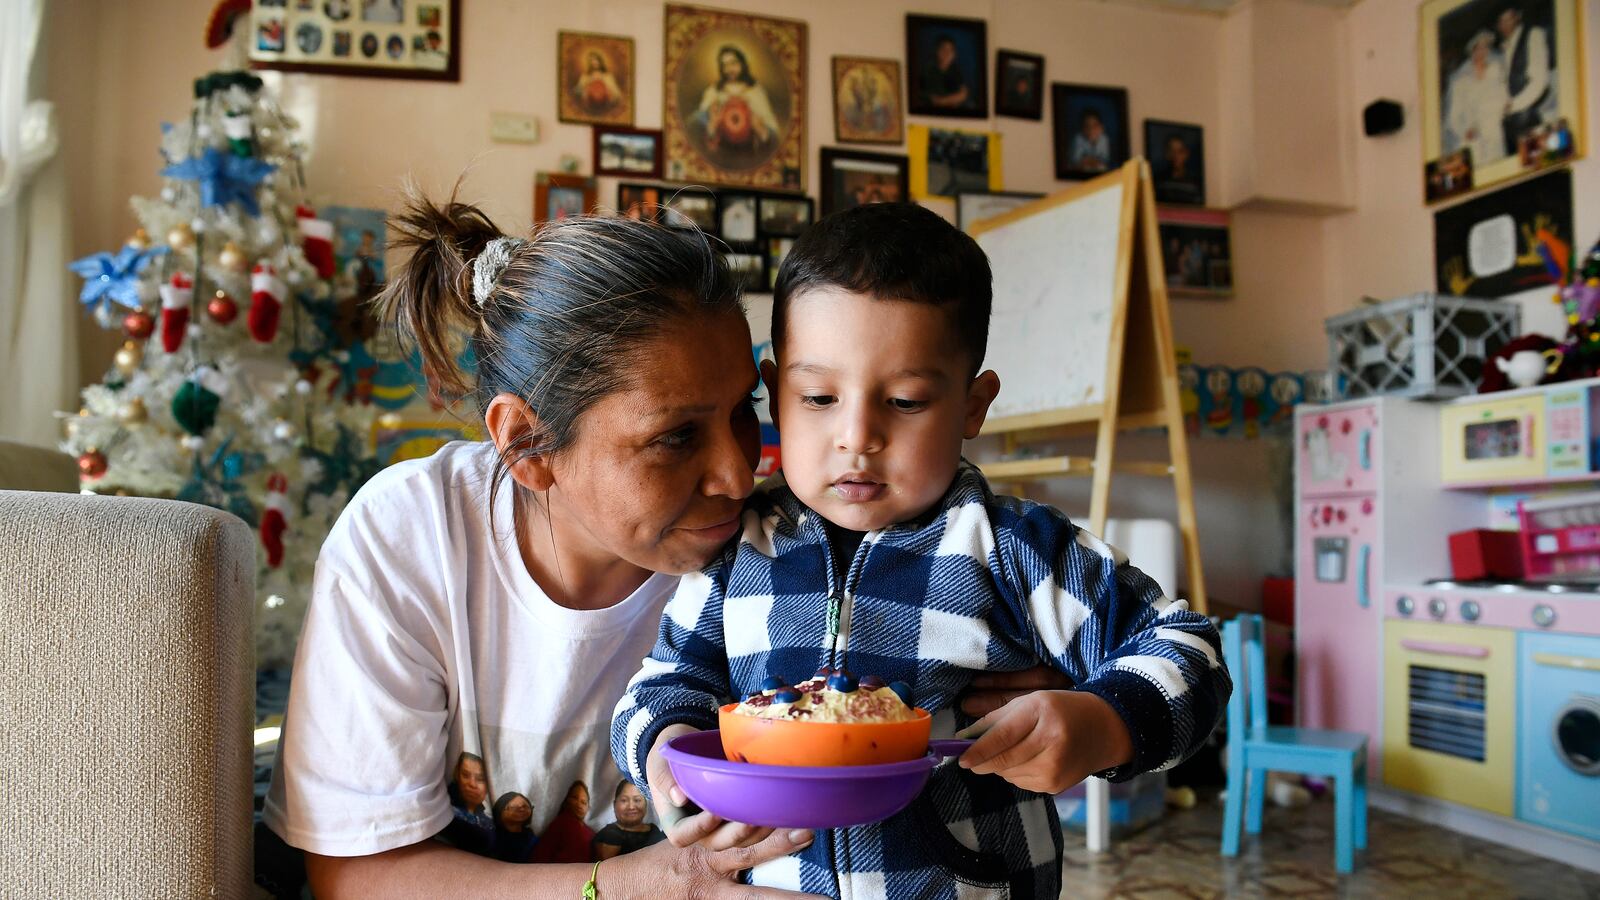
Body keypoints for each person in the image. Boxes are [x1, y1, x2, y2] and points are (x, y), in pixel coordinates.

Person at [613, 203, 1231, 897]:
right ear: (775, 391)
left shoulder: (1012, 548)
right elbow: (664, 684)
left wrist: (1105, 721)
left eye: (905, 402)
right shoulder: (738, 549)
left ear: (972, 405)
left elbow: (1191, 651)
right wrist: (666, 744)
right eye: (818, 397)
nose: (857, 436)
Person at [262, 183, 823, 898]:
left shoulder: (787, 553)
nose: (741, 474)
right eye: (676, 437)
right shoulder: (412, 538)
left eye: (745, 409)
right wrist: (636, 888)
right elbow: (357, 877)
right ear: (526, 443)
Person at [693, 45, 780, 160]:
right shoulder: (714, 91)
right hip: (719, 153)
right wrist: (711, 125)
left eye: (733, 63)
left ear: (742, 64)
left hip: (749, 154)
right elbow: (697, 125)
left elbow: (772, 133)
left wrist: (761, 129)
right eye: (725, 65)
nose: (729, 69)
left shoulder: (755, 91)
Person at [1497, 5, 1555, 156]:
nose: (1505, 25)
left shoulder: (1533, 35)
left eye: (1508, 19)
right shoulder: (1503, 47)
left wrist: (1514, 105)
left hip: (1529, 118)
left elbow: (1539, 81)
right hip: (1510, 125)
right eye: (1501, 22)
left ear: (1518, 16)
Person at [1445, 30, 1508, 166]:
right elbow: (1453, 117)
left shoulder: (1496, 70)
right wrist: (1465, 131)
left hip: (1495, 131)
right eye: (1478, 48)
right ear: (1471, 51)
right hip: (1474, 134)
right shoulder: (1460, 81)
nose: (1482, 52)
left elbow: (1504, 97)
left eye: (1486, 47)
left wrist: (1503, 110)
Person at [593, 781, 666, 860]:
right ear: (614, 804)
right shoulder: (609, 836)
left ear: (645, 804)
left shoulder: (653, 829)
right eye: (624, 800)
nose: (631, 807)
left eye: (637, 800)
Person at [531, 781, 596, 864]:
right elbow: (541, 855)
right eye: (575, 798)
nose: (579, 805)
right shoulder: (560, 823)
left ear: (588, 808)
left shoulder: (590, 832)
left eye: (583, 802)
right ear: (567, 800)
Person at [921, 35, 971, 110]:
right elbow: (932, 99)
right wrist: (950, 100)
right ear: (937, 51)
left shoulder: (956, 70)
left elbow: (963, 94)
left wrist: (944, 101)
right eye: (943, 49)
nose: (947, 53)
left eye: (950, 50)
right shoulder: (928, 70)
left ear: (954, 54)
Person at [489, 793, 538, 864]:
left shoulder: (530, 836)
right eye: (514, 807)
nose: (522, 810)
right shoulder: (494, 837)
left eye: (525, 806)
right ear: (499, 810)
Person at [575, 50, 624, 116]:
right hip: (589, 104)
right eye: (592, 60)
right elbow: (578, 91)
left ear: (600, 61)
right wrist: (588, 82)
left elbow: (616, 92)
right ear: (589, 63)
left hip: (605, 104)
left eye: (596, 60)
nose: (594, 62)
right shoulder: (585, 76)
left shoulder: (608, 76)